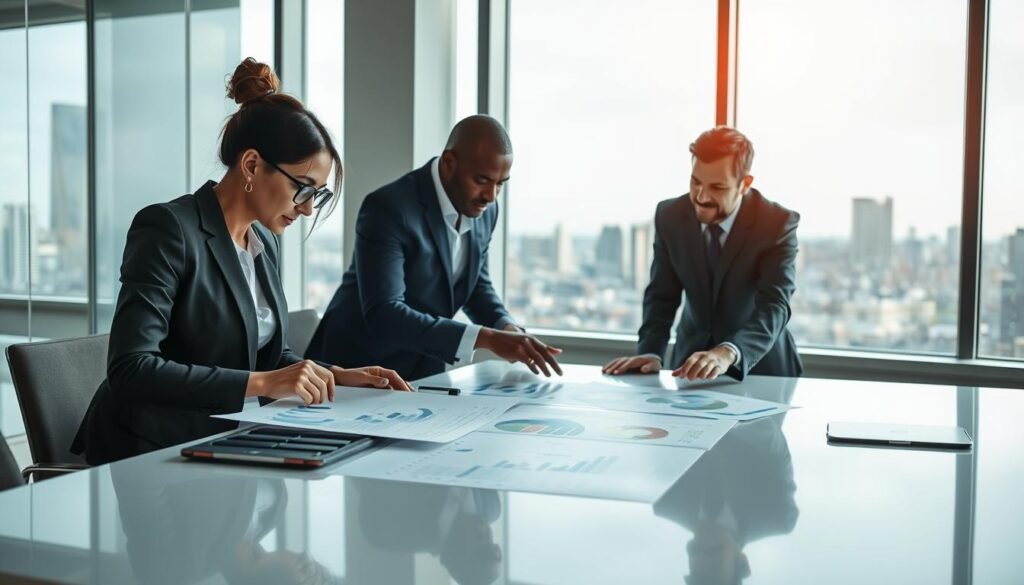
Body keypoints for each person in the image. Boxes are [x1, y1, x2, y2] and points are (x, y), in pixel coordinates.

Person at [72, 58, 411, 466]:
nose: (306, 209)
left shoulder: (263, 240)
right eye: (303, 189)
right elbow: (132, 367)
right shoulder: (168, 228)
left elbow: (266, 355)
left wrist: (335, 374)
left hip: (224, 439)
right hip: (149, 449)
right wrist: (264, 382)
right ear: (252, 165)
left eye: (316, 196)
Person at [306, 115, 562, 381]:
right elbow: (385, 313)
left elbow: (474, 286)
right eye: (482, 180)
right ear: (450, 162)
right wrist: (486, 338)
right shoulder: (389, 207)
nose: (491, 195)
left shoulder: (486, 210)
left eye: (501, 184)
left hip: (424, 370)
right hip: (354, 368)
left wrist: (506, 328)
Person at [603, 126, 803, 381]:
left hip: (760, 369)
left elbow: (774, 305)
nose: (701, 196)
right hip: (689, 365)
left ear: (744, 184)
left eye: (718, 187)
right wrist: (651, 352)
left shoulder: (776, 223)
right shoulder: (670, 215)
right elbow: (661, 295)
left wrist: (727, 352)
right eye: (695, 182)